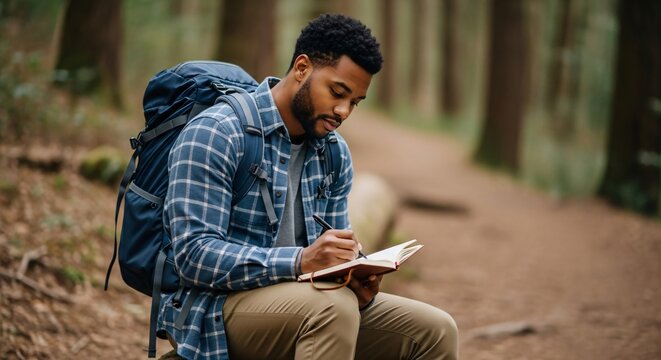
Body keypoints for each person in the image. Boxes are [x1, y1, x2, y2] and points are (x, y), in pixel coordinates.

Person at [159, 13, 458, 360]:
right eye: (337, 92)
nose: (343, 111)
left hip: (311, 301)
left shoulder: (333, 153)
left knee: (434, 330)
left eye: (355, 102)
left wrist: (354, 275)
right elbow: (193, 256)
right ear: (302, 69)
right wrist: (301, 261)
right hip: (213, 309)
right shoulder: (218, 132)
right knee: (332, 309)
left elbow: (329, 254)